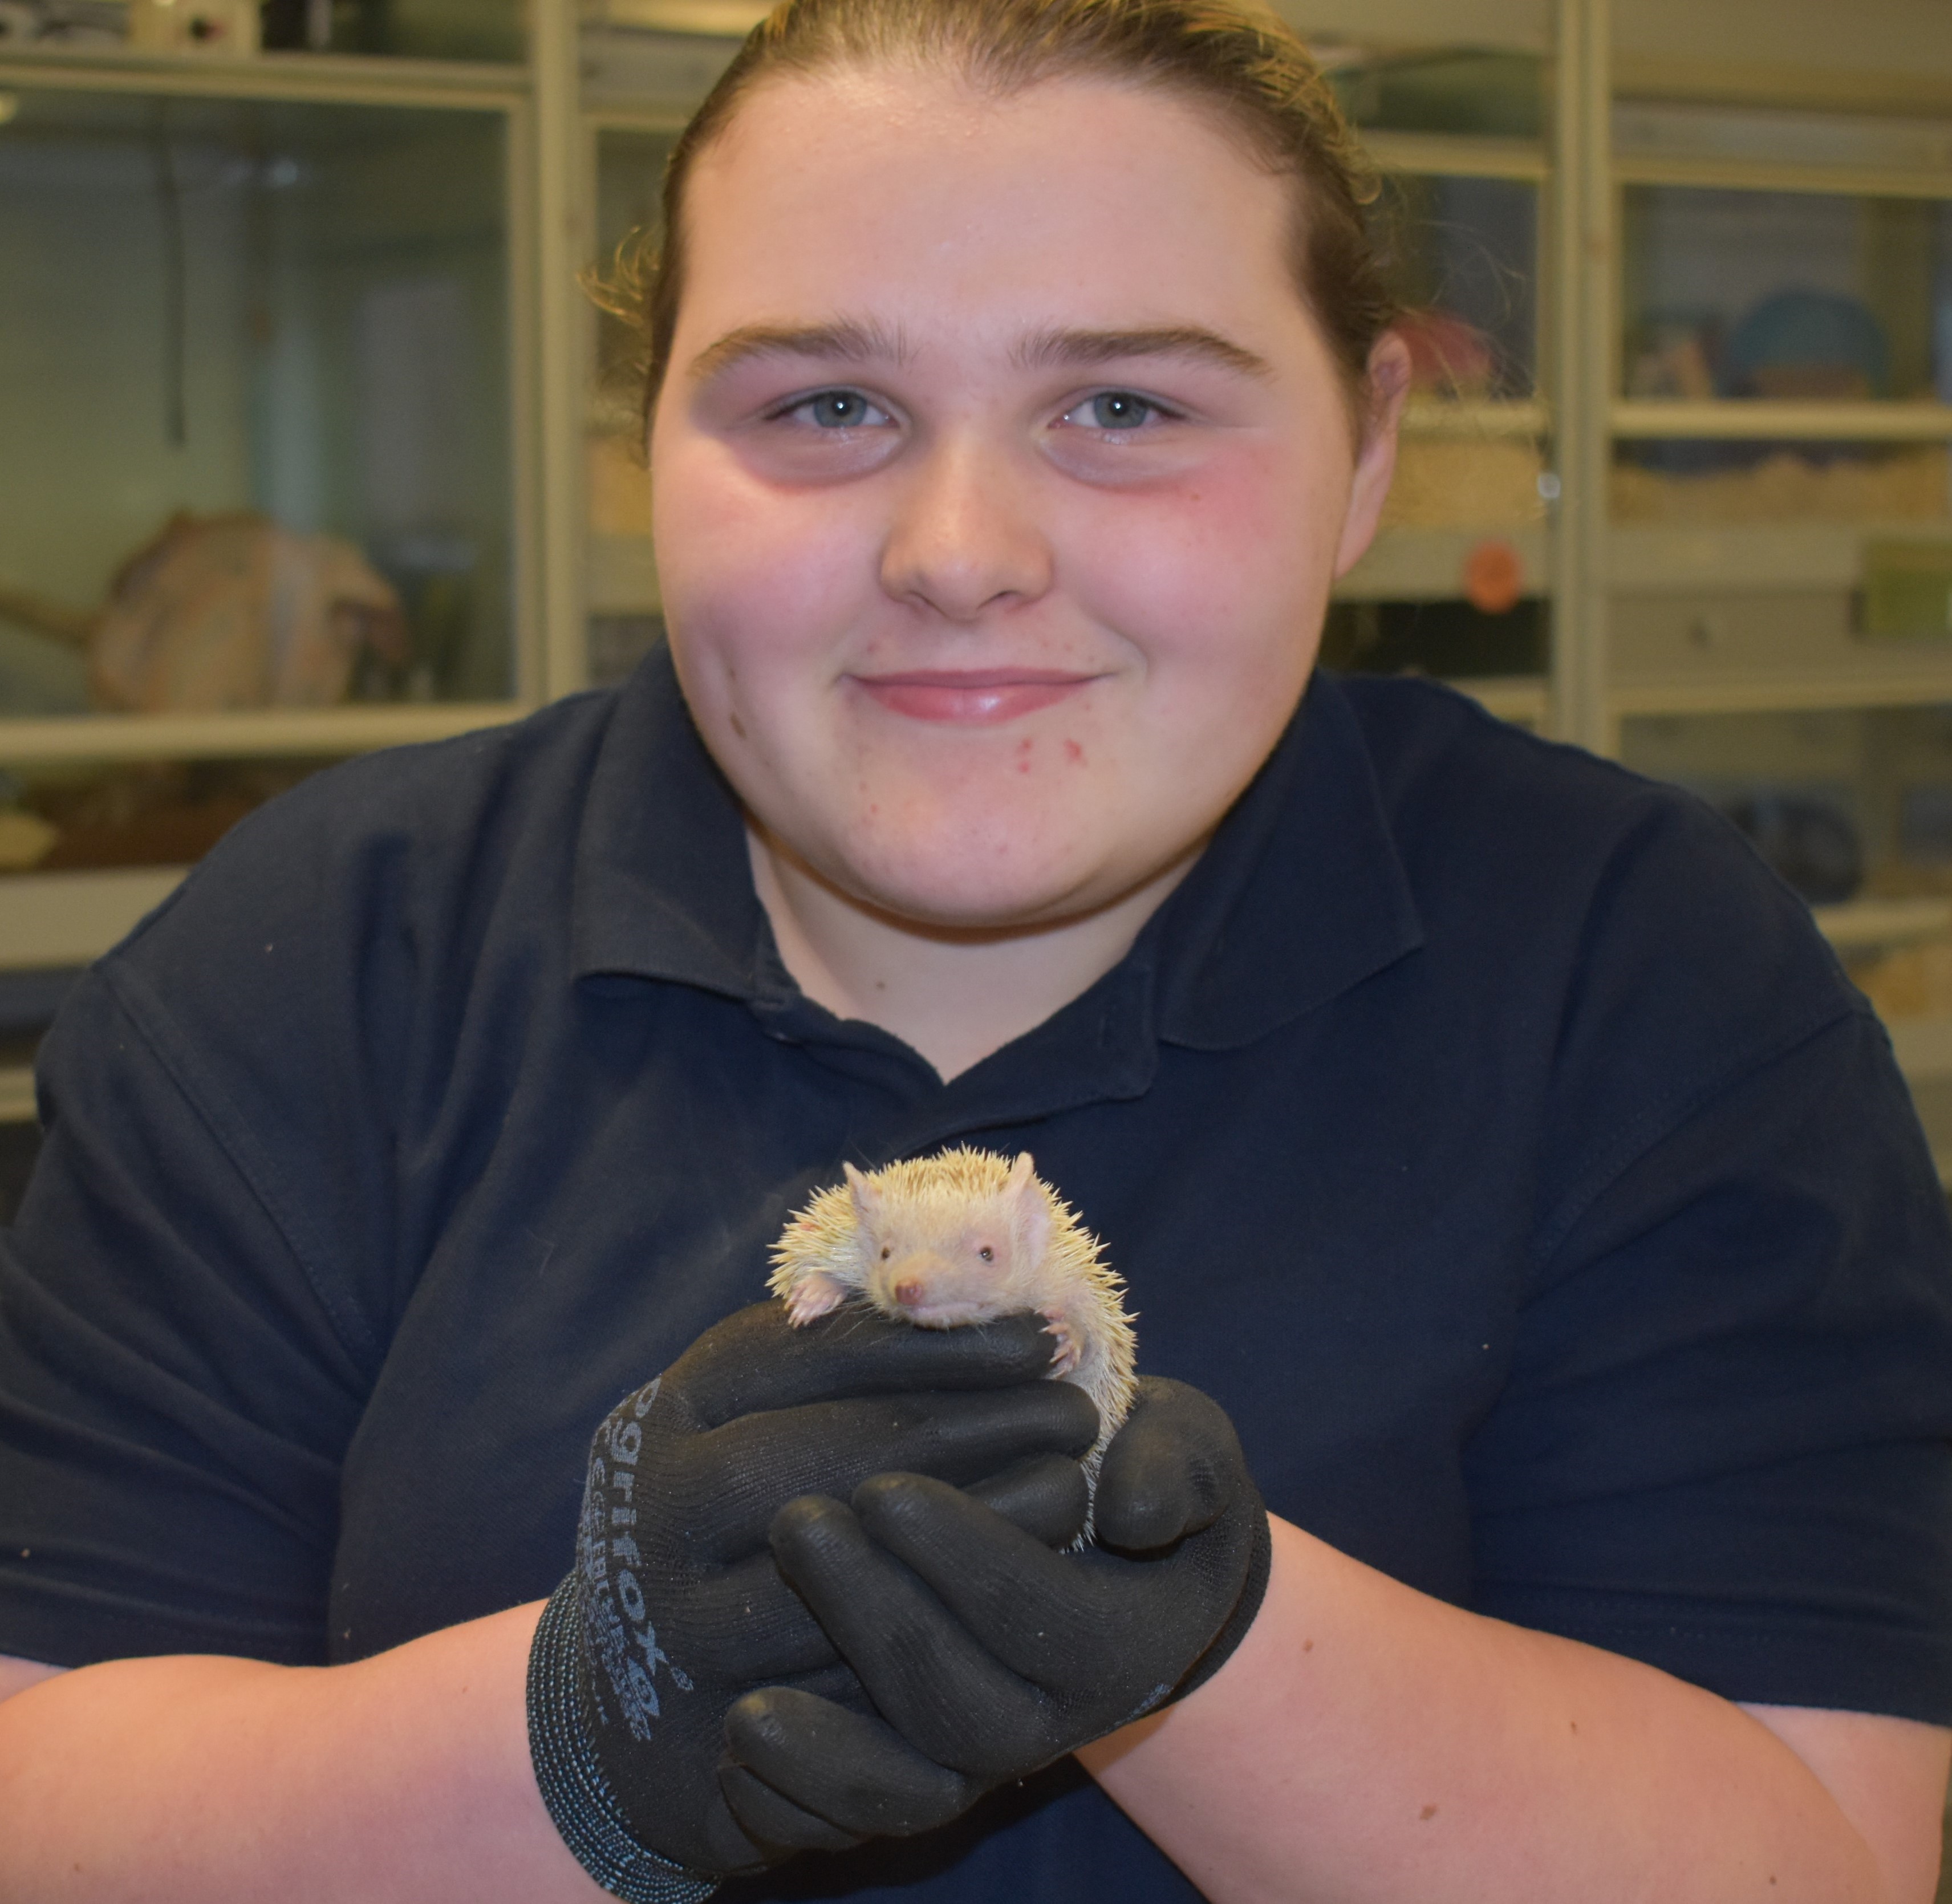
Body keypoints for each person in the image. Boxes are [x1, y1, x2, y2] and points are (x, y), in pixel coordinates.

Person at [2, 1, 1950, 1898]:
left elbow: (1834, 1854)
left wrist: (1198, 1635)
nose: (958, 550)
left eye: (1124, 406)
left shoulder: (1648, 977)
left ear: (1365, 453)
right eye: (826, 405)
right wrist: (589, 1734)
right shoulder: (309, 959)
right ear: (644, 446)